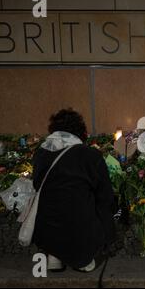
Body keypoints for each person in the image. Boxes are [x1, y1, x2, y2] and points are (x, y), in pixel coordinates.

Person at [32, 108, 116, 272]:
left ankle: (54, 256)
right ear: (80, 131)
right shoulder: (89, 156)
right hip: (79, 227)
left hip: (47, 226)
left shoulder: (41, 153)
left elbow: (37, 185)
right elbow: (105, 196)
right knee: (99, 205)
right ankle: (84, 257)